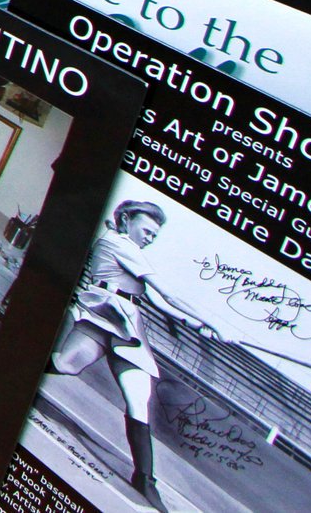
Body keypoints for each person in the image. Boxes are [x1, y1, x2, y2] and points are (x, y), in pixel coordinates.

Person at [48, 200, 219, 509]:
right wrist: (211, 322)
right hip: (103, 312)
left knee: (138, 397)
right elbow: (168, 293)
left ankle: (144, 478)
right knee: (66, 364)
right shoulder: (117, 241)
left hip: (129, 323)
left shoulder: (131, 251)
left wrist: (197, 324)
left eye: (155, 235)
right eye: (147, 230)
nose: (150, 238)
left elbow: (159, 303)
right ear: (126, 219)